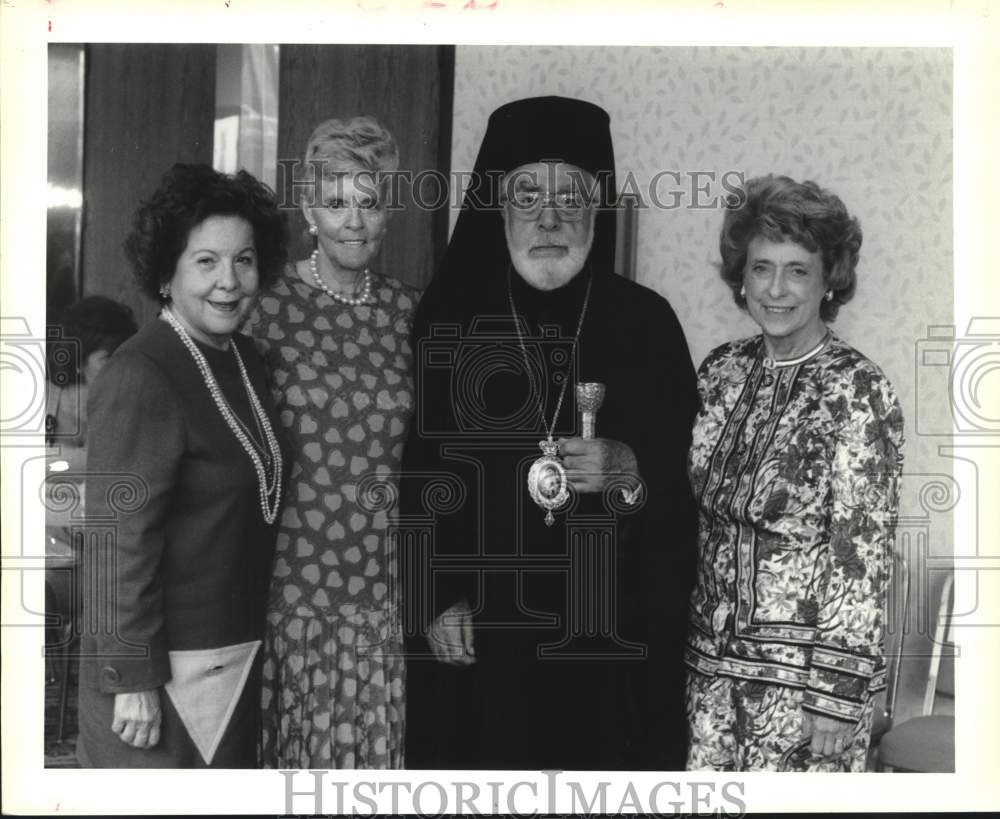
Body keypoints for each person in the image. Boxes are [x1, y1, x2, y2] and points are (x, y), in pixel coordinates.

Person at [401, 96, 699, 770]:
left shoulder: (648, 325)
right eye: (527, 195)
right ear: (498, 208)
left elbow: (687, 480)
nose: (549, 218)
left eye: (571, 196)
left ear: (597, 207)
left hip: (610, 639)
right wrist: (434, 594)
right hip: (483, 636)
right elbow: (419, 476)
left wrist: (629, 467)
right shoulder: (451, 322)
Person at [684, 174, 905, 772]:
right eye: (761, 268)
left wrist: (836, 694)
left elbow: (862, 553)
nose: (776, 289)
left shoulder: (858, 390)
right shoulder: (720, 372)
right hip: (706, 677)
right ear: (742, 275)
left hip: (804, 695)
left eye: (798, 270)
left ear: (830, 276)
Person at [77, 164, 287, 767]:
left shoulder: (244, 356)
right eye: (206, 262)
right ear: (166, 273)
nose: (229, 282)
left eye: (243, 260)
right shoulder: (140, 371)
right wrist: (131, 678)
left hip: (230, 660)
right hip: (156, 682)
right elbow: (115, 541)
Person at [244, 115, 419, 769]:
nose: (353, 220)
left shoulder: (408, 312)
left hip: (378, 599)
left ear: (388, 213)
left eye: (368, 203)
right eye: (335, 202)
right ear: (309, 211)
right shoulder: (265, 308)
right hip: (290, 598)